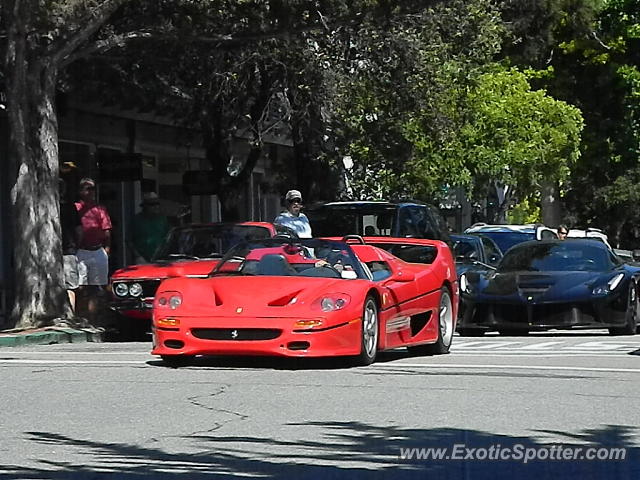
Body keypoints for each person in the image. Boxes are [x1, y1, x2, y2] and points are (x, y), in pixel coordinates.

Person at [75, 178, 112, 323]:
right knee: (80, 287)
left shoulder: (100, 209)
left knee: (96, 288)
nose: (90, 192)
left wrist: (107, 249)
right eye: (87, 188)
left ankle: (93, 320)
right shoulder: (75, 208)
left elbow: (107, 230)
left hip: (97, 251)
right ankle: (79, 317)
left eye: (92, 189)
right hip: (81, 251)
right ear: (80, 191)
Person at [59, 179, 82, 312]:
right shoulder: (70, 207)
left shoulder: (43, 206)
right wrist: (75, 245)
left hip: (51, 254)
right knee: (70, 287)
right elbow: (79, 231)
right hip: (68, 251)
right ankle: (70, 315)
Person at [129, 192, 170, 264]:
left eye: (157, 204)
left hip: (161, 259)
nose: (156, 206)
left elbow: (168, 238)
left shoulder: (163, 219)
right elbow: (129, 240)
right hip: (142, 259)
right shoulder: (136, 220)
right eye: (152, 204)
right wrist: (138, 256)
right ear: (145, 206)